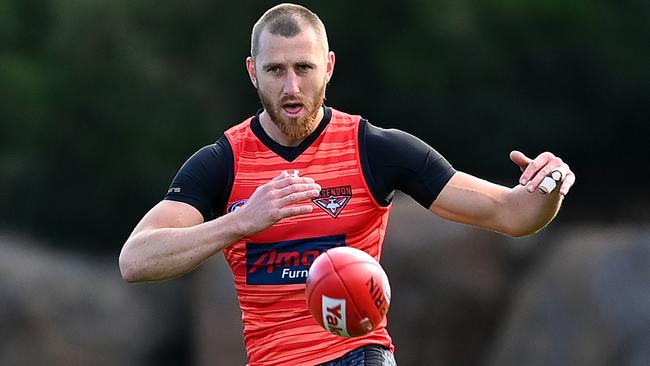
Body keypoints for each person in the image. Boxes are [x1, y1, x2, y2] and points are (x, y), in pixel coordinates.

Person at [118, 3, 575, 365]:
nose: (292, 86)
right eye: (276, 70)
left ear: (329, 67)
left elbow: (513, 214)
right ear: (253, 72)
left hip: (360, 354)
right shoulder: (221, 163)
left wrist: (548, 188)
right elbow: (136, 260)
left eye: (304, 67)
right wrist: (241, 223)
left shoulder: (376, 148)